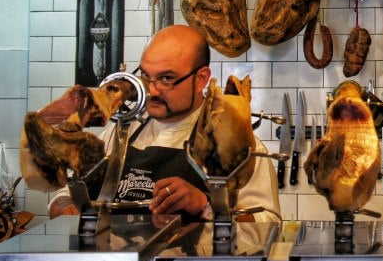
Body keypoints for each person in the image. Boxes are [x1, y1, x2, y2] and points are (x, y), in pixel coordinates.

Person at [49, 25, 280, 222]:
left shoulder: (234, 143)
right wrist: (65, 207)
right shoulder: (120, 133)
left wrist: (206, 206)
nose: (152, 90)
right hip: (119, 260)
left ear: (201, 78)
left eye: (166, 79)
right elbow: (65, 194)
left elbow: (267, 224)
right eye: (146, 76)